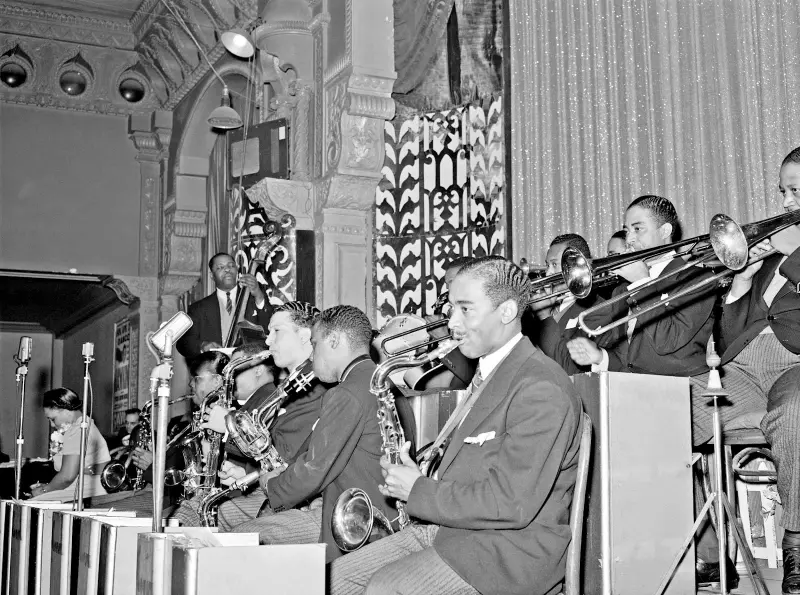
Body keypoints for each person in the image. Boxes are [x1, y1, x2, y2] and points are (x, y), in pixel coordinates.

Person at [329, 256, 583, 595]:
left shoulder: (541, 387)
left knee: (386, 588)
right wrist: (418, 476)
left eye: (466, 310)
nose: (452, 323)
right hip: (454, 529)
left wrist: (418, 490)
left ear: (507, 312)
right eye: (452, 309)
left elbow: (511, 503)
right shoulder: (489, 372)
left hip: (506, 553)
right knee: (333, 579)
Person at [565, 195, 729, 587]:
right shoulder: (629, 288)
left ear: (665, 231)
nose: (631, 238)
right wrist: (601, 358)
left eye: (638, 228)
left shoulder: (693, 275)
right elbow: (631, 357)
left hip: (684, 388)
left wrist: (642, 283)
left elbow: (668, 342)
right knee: (581, 426)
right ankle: (610, 551)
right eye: (628, 230)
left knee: (642, 431)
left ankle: (701, 553)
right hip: (641, 391)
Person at [231, 305, 394, 563]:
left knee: (240, 540)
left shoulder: (346, 393)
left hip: (359, 522)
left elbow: (313, 469)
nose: (313, 354)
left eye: (315, 345)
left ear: (334, 341)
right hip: (372, 510)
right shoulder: (379, 380)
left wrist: (271, 484)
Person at [710, 146, 800, 594]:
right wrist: (741, 283)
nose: (785, 202)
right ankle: (704, 550)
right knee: (662, 407)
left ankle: (797, 541)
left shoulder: (790, 247)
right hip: (742, 369)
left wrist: (795, 251)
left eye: (795, 190)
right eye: (783, 191)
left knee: (796, 411)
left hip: (794, 364)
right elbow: (730, 336)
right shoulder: (774, 252)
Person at [91, 351, 229, 514]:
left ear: (217, 381)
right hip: (174, 497)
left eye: (196, 378)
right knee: (94, 505)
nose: (190, 384)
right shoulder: (195, 421)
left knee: (99, 511)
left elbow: (189, 478)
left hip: (184, 502)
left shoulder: (225, 421)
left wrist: (154, 466)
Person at [531, 233, 608, 374]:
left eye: (555, 264)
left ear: (578, 266)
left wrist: (544, 316)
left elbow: (570, 368)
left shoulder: (598, 309)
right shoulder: (546, 305)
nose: (548, 273)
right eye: (547, 265)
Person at [176, 252, 274, 359]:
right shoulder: (198, 308)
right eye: (220, 267)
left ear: (237, 270)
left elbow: (271, 327)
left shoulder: (254, 298)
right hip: (214, 366)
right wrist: (202, 346)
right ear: (211, 275)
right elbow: (183, 343)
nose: (227, 269)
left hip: (250, 364)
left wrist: (258, 295)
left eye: (231, 266)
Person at [30, 388, 111, 502]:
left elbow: (67, 477)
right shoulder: (84, 424)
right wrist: (49, 487)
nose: (52, 424)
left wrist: (44, 490)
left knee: (30, 503)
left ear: (65, 410)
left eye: (53, 419)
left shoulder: (78, 430)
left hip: (87, 493)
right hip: (84, 488)